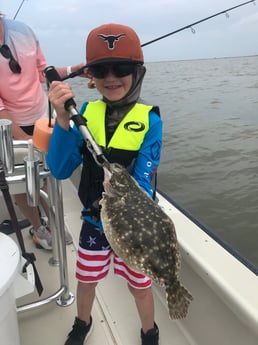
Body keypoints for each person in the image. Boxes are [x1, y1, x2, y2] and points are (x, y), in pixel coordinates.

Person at [47, 23, 162, 345]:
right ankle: (82, 322)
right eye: (101, 70)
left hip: (134, 226)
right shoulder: (82, 113)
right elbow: (58, 169)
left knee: (140, 285)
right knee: (86, 280)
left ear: (138, 72)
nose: (111, 77)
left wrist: (120, 188)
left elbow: (145, 176)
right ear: (89, 76)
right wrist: (62, 120)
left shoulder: (150, 121)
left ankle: (149, 330)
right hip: (94, 222)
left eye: (122, 68)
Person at [0, 12, 86, 249]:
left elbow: (42, 72)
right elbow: (1, 110)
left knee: (46, 176)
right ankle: (38, 227)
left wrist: (75, 69)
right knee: (21, 181)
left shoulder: (23, 31)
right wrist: (26, 141)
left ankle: (54, 221)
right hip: (7, 127)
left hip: (41, 118)